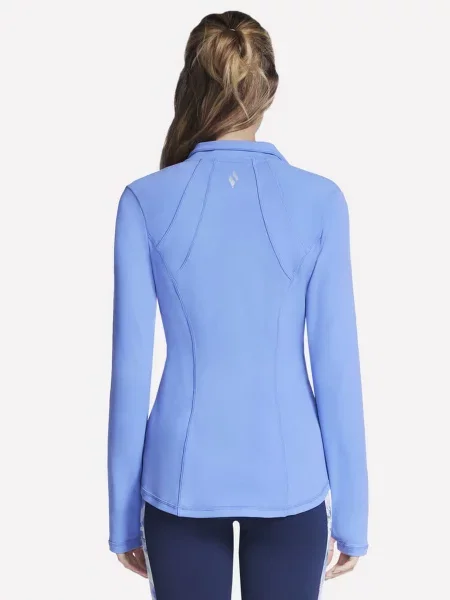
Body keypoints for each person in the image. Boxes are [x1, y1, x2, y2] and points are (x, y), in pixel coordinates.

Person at [107, 10, 368, 600]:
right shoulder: (320, 201)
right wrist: (354, 514)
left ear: (190, 85)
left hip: (180, 478)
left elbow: (129, 373)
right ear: (269, 88)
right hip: (291, 475)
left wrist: (122, 517)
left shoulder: (145, 201)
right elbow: (337, 369)